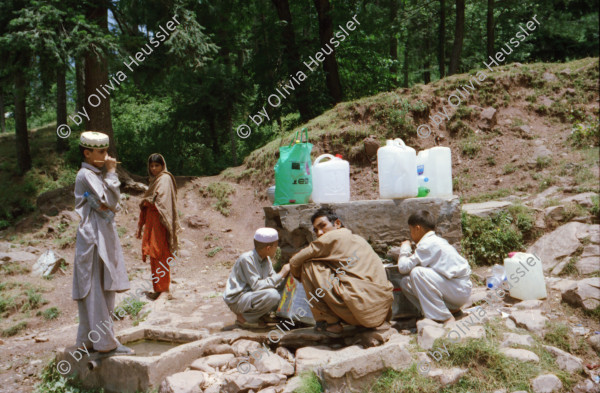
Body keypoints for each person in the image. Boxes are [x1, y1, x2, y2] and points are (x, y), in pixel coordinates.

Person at [73, 131, 133, 355]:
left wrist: (108, 181)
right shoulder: (86, 175)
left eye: (107, 151)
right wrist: (111, 172)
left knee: (98, 289)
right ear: (87, 153)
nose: (106, 156)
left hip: (100, 237)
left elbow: (110, 205)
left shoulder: (93, 174)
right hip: (93, 239)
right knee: (96, 291)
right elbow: (109, 202)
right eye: (101, 152)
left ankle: (88, 340)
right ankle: (105, 344)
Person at [289, 208, 394, 337]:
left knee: (308, 265)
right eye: (316, 230)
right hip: (381, 312)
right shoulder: (358, 239)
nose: (320, 233)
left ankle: (329, 323)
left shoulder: (334, 236)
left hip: (362, 311)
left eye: (322, 226)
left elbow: (294, 262)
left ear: (337, 224)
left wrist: (301, 279)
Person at [397, 210, 472, 325]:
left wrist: (404, 249)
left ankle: (443, 317)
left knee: (417, 273)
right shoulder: (433, 241)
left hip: (458, 289)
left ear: (418, 228)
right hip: (455, 288)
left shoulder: (428, 243)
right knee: (406, 282)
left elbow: (403, 267)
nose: (411, 235)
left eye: (411, 231)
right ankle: (449, 311)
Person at [223, 228, 290, 328]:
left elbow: (273, 282)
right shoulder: (246, 259)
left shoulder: (266, 259)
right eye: (275, 246)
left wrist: (287, 279)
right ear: (268, 248)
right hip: (238, 299)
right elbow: (257, 286)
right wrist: (281, 274)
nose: (277, 249)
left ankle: (261, 315)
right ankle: (244, 318)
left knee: (285, 292)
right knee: (273, 295)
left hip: (253, 296)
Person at [136, 153, 180, 300]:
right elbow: (151, 199)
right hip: (152, 222)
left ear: (163, 166)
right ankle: (158, 288)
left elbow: (162, 201)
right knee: (153, 256)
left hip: (161, 223)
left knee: (161, 254)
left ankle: (164, 289)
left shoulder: (165, 179)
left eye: (157, 165)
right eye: (152, 166)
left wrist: (146, 201)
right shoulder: (154, 181)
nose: (154, 168)